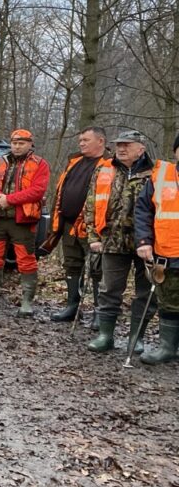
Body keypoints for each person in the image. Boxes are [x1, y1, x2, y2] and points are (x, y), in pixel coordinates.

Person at [83, 131, 154, 353]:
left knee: (145, 292)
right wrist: (93, 236)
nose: (121, 149)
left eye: (127, 145)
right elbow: (90, 205)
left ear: (141, 148)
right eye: (119, 145)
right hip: (112, 240)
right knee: (109, 289)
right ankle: (105, 335)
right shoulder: (104, 169)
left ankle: (136, 338)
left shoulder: (156, 173)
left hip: (148, 243)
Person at [0, 129, 50, 314]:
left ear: (30, 144)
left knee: (26, 260)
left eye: (21, 143)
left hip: (23, 221)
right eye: (14, 143)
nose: (17, 146)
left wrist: (9, 199)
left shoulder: (40, 164)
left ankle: (27, 302)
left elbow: (37, 190)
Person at [47, 127, 112, 324]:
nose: (81, 143)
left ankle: (100, 313)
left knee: (97, 269)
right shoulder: (74, 161)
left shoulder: (110, 164)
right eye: (80, 140)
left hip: (93, 227)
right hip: (68, 224)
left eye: (86, 140)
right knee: (71, 265)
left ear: (100, 141)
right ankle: (72, 306)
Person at [135, 132, 179, 364]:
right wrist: (143, 241)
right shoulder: (160, 176)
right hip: (167, 252)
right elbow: (142, 211)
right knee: (169, 302)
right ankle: (167, 348)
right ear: (175, 151)